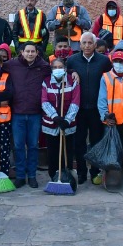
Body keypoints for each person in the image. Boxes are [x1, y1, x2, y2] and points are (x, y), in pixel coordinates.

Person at [66, 32, 112, 185]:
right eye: (84, 43)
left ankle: (95, 172)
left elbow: (109, 80)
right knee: (78, 142)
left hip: (95, 109)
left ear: (95, 45)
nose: (86, 46)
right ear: (80, 45)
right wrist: (72, 72)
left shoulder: (104, 61)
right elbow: (66, 77)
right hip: (78, 109)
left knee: (95, 141)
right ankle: (81, 172)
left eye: (89, 43)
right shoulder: (72, 61)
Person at [5, 42, 50, 187]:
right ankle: (20, 176)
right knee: (18, 146)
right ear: (21, 52)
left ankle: (31, 176)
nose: (30, 54)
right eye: (27, 51)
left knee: (33, 146)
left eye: (33, 51)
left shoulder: (43, 67)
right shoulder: (12, 65)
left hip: (35, 113)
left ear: (37, 53)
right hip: (17, 112)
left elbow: (59, 69)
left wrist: (73, 71)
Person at [40, 56, 80, 186]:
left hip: (68, 124)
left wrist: (67, 120)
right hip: (51, 124)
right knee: (52, 152)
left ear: (65, 69)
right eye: (55, 67)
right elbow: (44, 101)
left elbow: (75, 101)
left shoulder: (71, 81)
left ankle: (67, 176)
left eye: (60, 67)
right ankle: (54, 175)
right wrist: (55, 117)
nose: (58, 69)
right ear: (51, 69)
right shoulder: (46, 82)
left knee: (67, 151)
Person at [98, 50, 123, 179]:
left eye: (121, 61)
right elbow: (102, 100)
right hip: (111, 121)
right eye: (116, 61)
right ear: (112, 62)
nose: (118, 63)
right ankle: (111, 175)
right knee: (112, 151)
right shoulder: (106, 77)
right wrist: (105, 116)